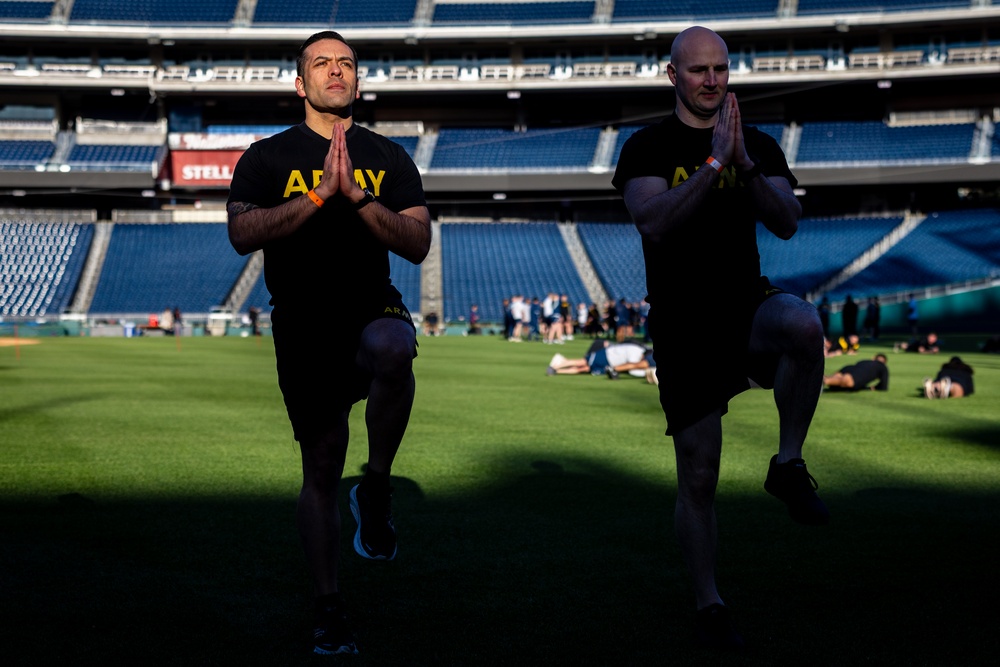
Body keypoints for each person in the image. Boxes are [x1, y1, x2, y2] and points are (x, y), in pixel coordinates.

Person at [612, 25, 828, 650]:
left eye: (721, 69)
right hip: (684, 321)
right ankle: (709, 601)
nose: (711, 80)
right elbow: (653, 222)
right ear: (672, 74)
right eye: (699, 69)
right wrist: (713, 165)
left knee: (803, 324)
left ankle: (788, 464)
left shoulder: (755, 142)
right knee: (699, 473)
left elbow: (787, 222)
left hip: (745, 302)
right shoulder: (647, 145)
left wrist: (746, 166)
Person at [226, 30, 431, 657]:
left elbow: (418, 243)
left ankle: (375, 484)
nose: (336, 71)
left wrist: (358, 197)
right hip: (303, 318)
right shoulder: (266, 157)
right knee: (319, 467)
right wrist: (317, 195)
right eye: (322, 63)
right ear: (300, 82)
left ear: (359, 81)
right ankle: (328, 605)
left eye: (346, 63)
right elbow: (242, 232)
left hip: (370, 302)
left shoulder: (389, 157)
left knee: (397, 347)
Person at [546, 339, 654, 379]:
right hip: (606, 355)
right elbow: (632, 368)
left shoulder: (638, 351)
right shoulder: (636, 352)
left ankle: (558, 371)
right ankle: (555, 366)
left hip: (609, 362)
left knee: (584, 369)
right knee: (583, 362)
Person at [823, 353, 889, 391]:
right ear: (884, 362)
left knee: (834, 379)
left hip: (849, 368)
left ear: (874, 358)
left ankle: (824, 378)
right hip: (859, 374)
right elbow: (883, 386)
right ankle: (825, 380)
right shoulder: (883, 367)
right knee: (847, 381)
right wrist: (871, 388)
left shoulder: (865, 361)